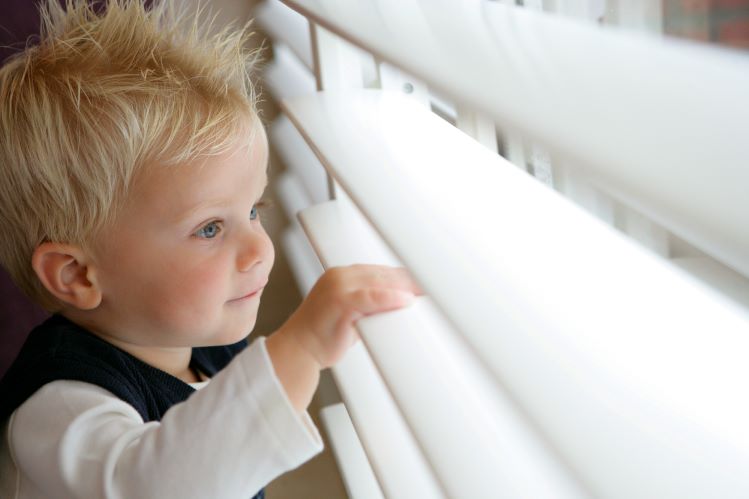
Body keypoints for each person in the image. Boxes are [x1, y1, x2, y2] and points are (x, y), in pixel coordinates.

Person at [0, 1, 420, 497]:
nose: (259, 249)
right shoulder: (60, 405)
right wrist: (301, 347)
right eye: (209, 229)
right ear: (77, 276)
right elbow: (154, 485)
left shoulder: (201, 347)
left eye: (254, 210)